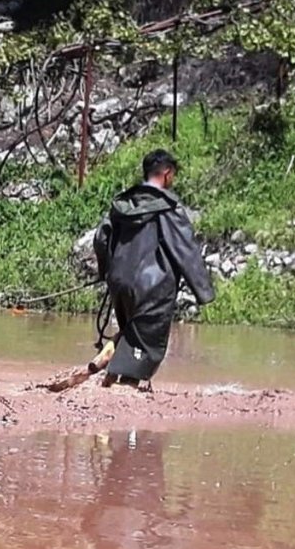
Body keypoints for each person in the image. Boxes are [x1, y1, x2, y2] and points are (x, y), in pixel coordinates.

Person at [92, 149, 215, 389]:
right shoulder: (168, 207)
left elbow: (101, 238)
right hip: (153, 285)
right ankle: (126, 381)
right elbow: (186, 248)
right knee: (147, 338)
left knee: (131, 330)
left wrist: (106, 271)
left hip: (120, 282)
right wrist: (204, 291)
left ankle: (112, 373)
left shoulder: (123, 203)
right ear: (167, 173)